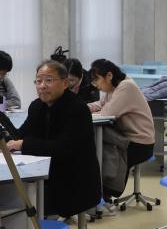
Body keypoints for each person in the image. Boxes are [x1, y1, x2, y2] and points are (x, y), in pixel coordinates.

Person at [6, 60, 100, 218]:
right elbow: (22, 134)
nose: (42, 86)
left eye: (48, 80)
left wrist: (23, 144)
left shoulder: (78, 109)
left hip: (72, 181)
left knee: (19, 204)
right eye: (38, 81)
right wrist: (3, 141)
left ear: (65, 83)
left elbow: (63, 147)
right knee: (9, 197)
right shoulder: (37, 106)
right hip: (44, 175)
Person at [88, 59, 156, 167]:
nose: (96, 85)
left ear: (109, 76)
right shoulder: (113, 87)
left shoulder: (126, 86)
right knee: (97, 151)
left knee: (103, 158)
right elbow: (101, 104)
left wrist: (86, 114)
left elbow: (107, 113)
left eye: (97, 79)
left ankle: (113, 179)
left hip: (139, 143)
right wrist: (82, 108)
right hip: (127, 138)